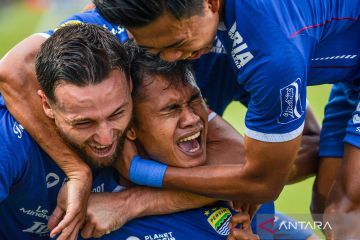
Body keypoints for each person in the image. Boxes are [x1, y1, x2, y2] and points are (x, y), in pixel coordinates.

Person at [0, 5, 322, 238]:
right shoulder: (14, 136)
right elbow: (13, 68)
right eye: (83, 122)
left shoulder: (253, 49)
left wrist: (129, 200)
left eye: (116, 115)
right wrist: (77, 170)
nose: (104, 136)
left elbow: (255, 175)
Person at [91, 0, 360, 236]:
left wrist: (139, 175)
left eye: (177, 43)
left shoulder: (269, 55)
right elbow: (49, 44)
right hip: (350, 77)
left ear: (210, 3)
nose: (171, 58)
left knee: (345, 212)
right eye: (154, 49)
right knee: (326, 208)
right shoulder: (136, 11)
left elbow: (262, 185)